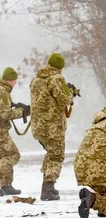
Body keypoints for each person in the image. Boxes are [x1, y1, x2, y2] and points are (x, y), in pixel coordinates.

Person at [30, 53, 74, 201]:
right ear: (60, 67)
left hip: (38, 126)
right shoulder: (57, 78)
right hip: (52, 126)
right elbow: (64, 99)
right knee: (56, 156)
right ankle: (48, 188)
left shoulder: (36, 79)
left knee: (50, 154)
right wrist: (71, 93)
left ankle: (48, 186)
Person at [0, 67, 27, 196]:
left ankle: (6, 185)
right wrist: (22, 112)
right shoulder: (3, 92)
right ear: (11, 80)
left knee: (3, 156)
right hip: (1, 131)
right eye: (14, 80)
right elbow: (5, 114)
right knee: (13, 155)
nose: (15, 83)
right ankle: (5, 184)